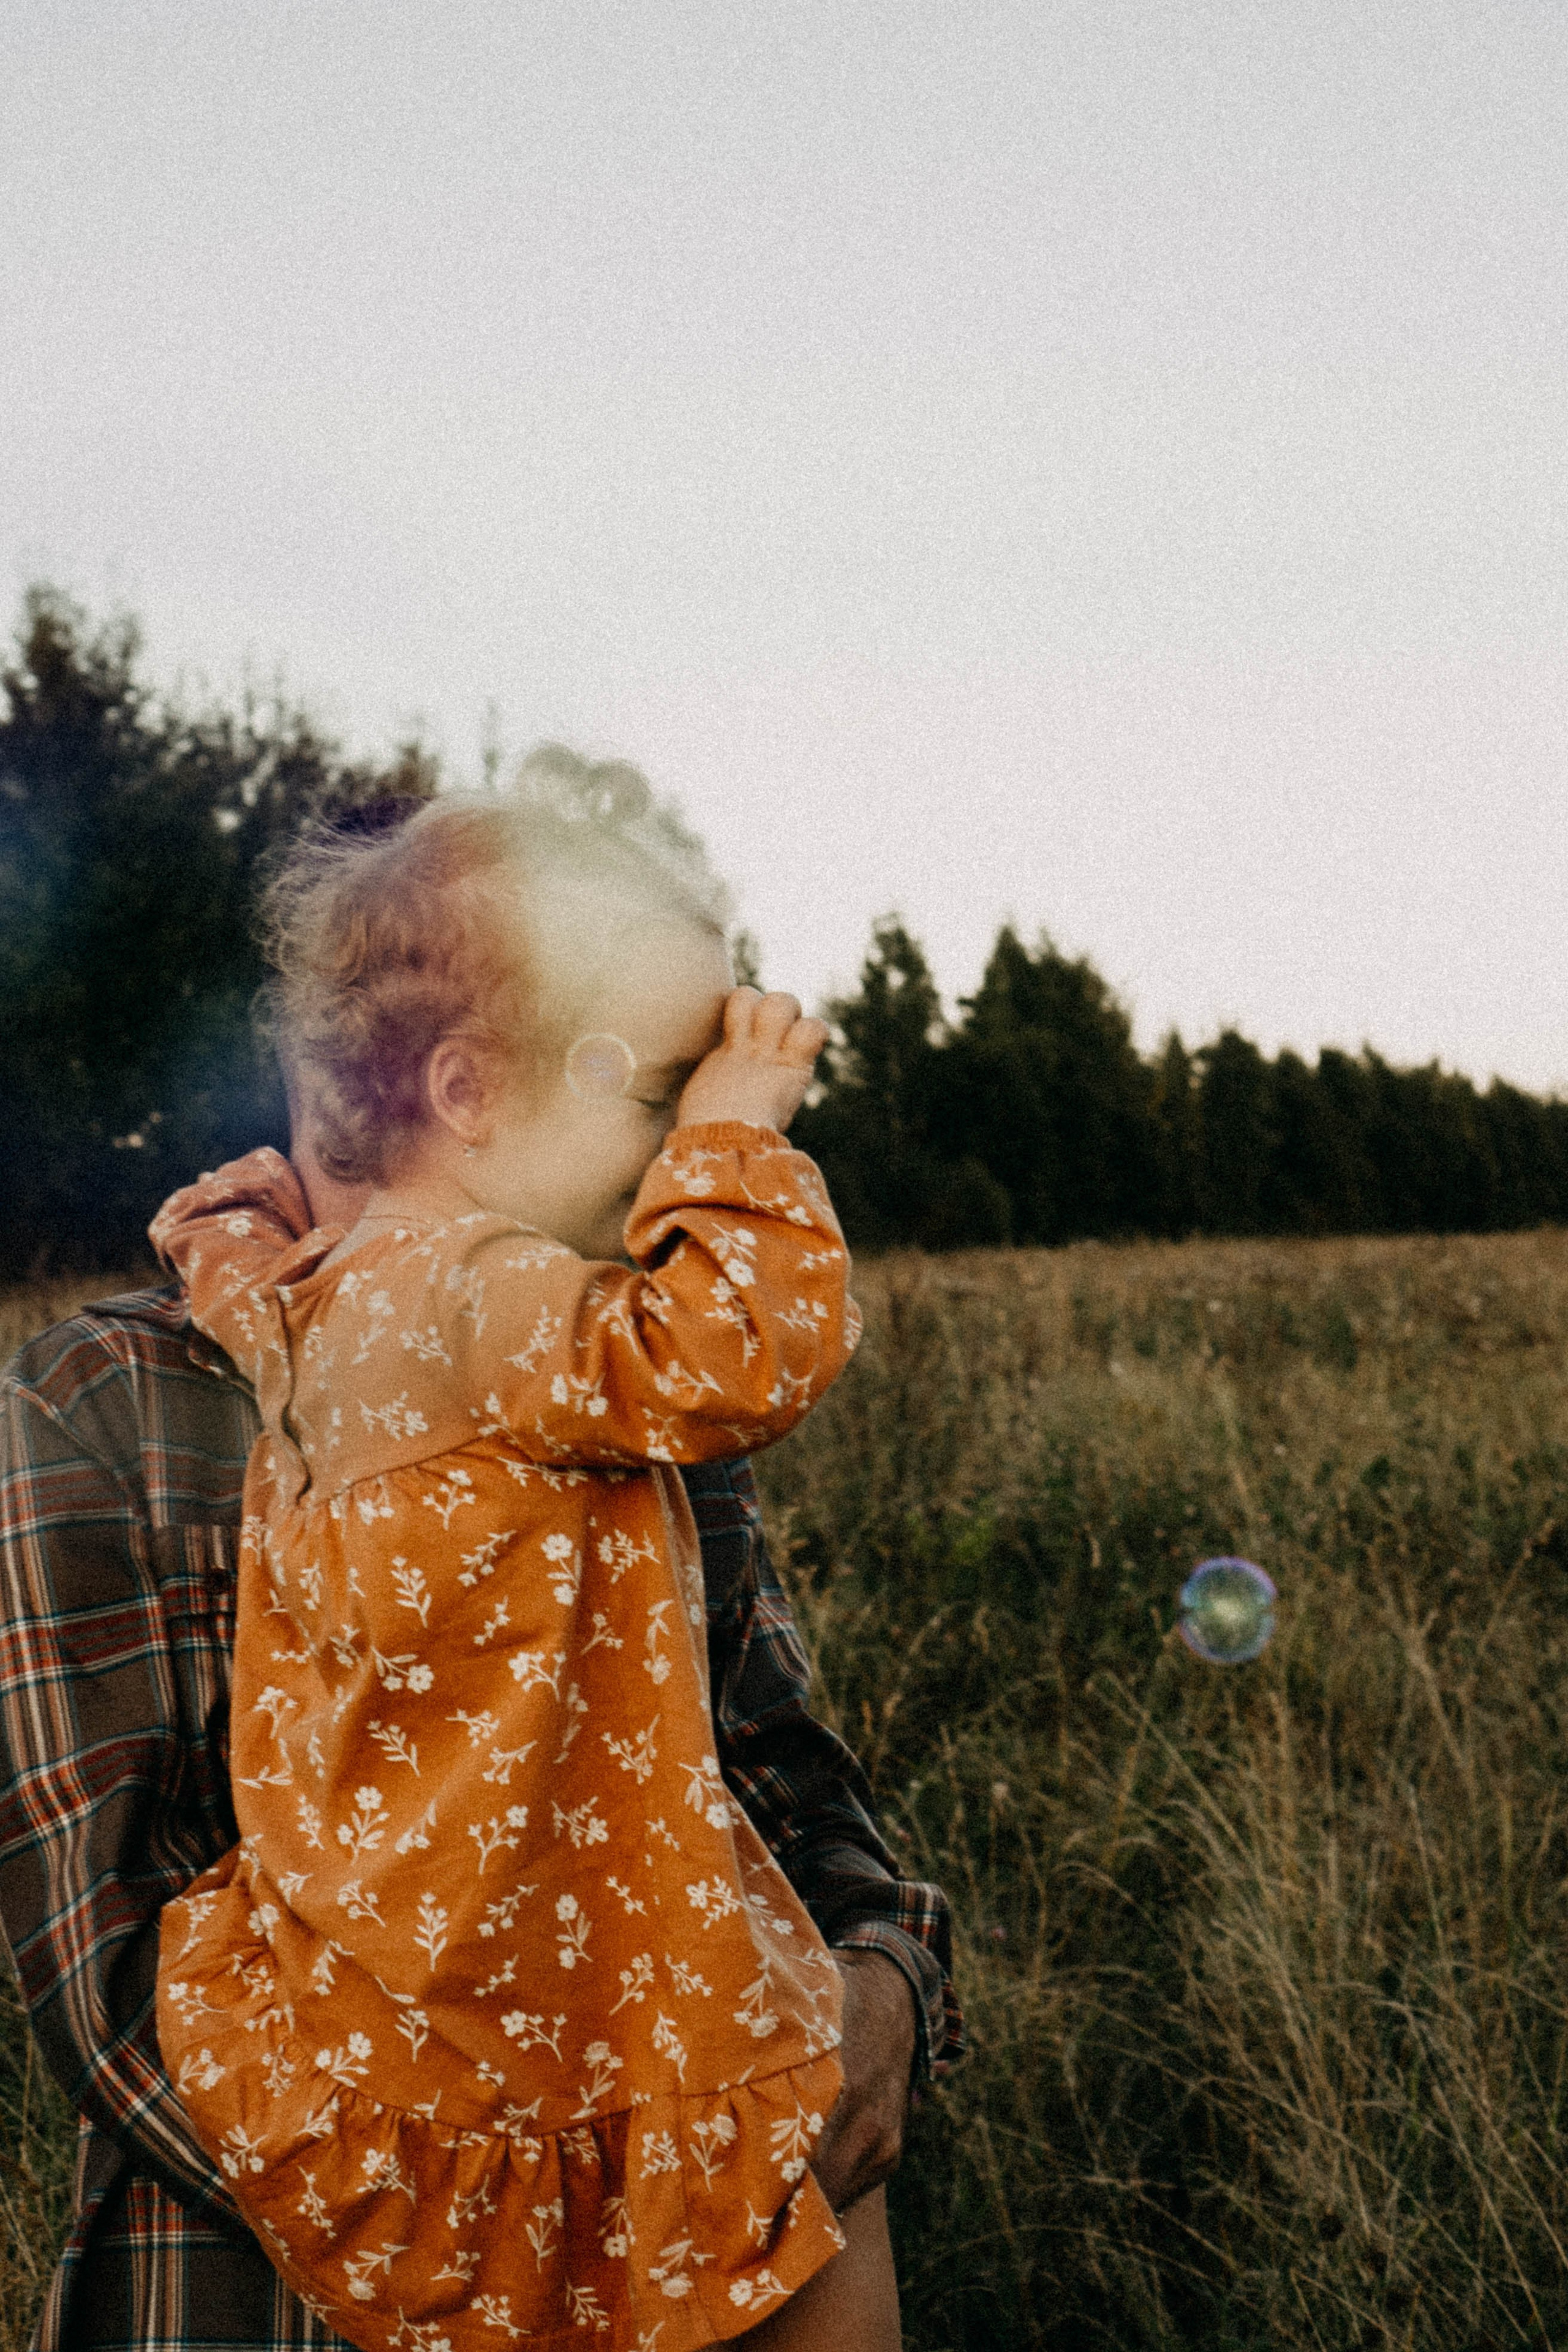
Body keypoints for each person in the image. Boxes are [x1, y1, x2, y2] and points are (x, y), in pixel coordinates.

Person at [0, 764, 959, 2352]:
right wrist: (743, 1134)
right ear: (458, 1088)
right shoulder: (158, 1388)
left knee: (813, 2185)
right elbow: (96, 1982)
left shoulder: (435, 1330)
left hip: (595, 2121)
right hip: (302, 2257)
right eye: (655, 1093)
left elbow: (787, 1783)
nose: (671, 1144)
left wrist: (879, 1990)